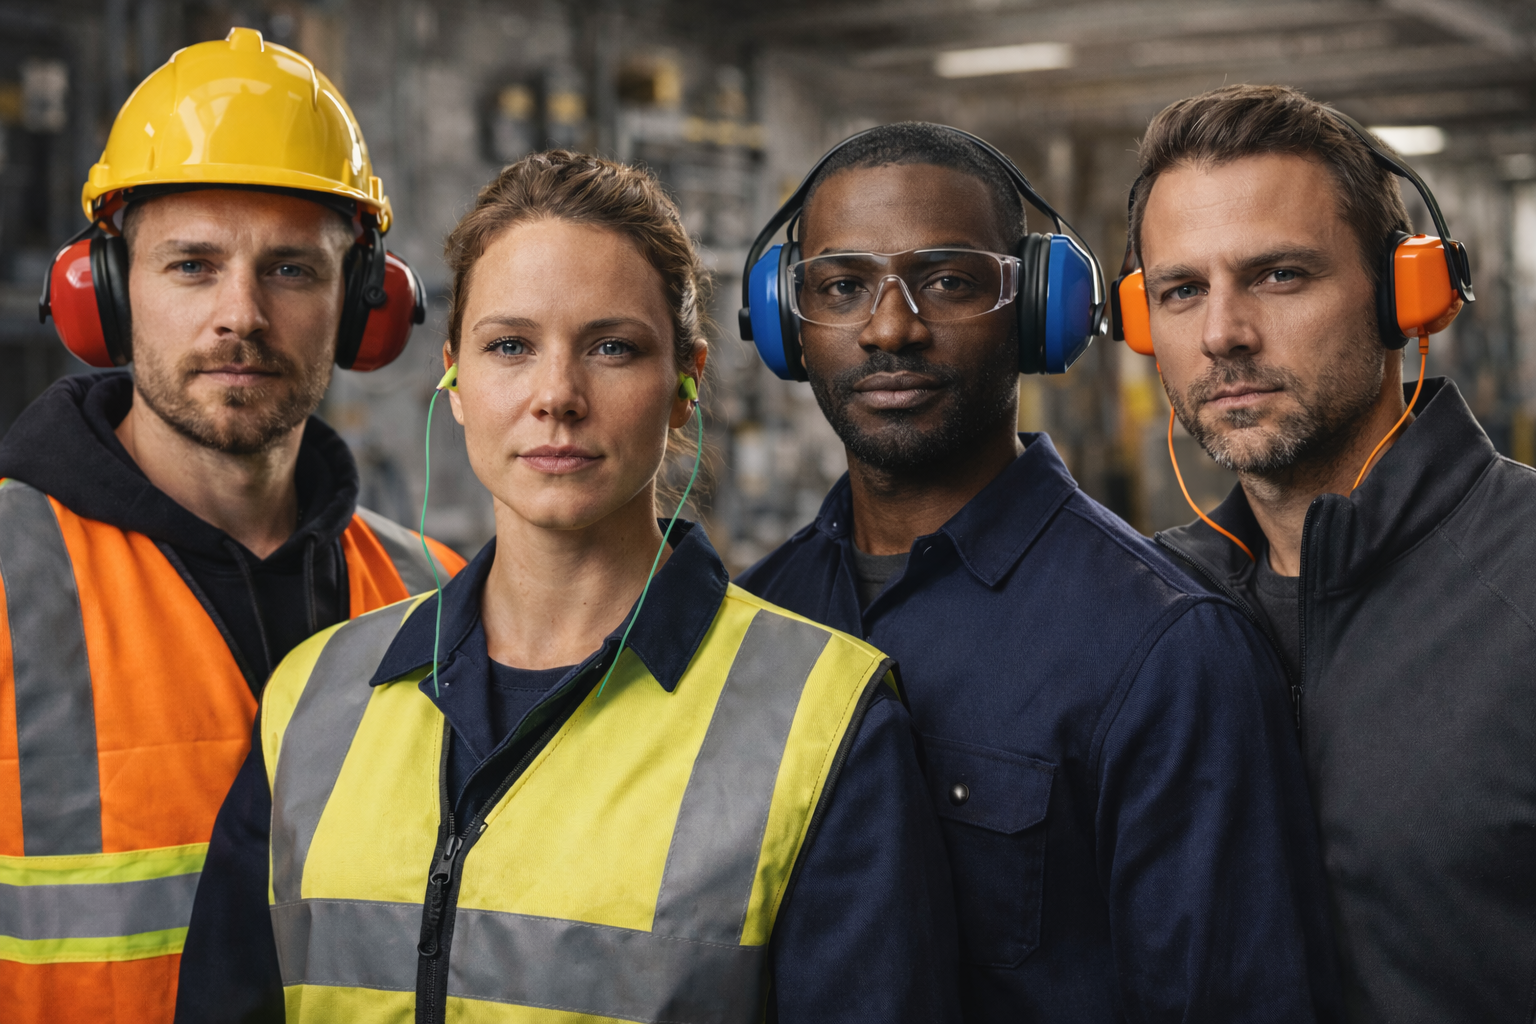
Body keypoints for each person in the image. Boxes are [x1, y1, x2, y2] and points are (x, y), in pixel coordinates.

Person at [176, 150, 958, 1023]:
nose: (557, 395)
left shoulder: (824, 723)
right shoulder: (312, 700)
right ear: (455, 379)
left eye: (612, 348)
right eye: (510, 346)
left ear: (684, 385)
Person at [736, 122, 1341, 1021]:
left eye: (948, 281)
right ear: (787, 324)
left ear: (1040, 310)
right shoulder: (751, 623)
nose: (890, 327)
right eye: (842, 287)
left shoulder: (1168, 654)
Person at [0, 30, 465, 1022]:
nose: (240, 314)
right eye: (192, 265)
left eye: (290, 269)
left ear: (365, 305)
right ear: (106, 292)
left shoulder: (440, 595)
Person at [1126, 84, 1532, 1023]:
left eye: (1278, 275)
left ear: (1402, 296)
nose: (1222, 334)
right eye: (1183, 291)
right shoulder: (1141, 607)